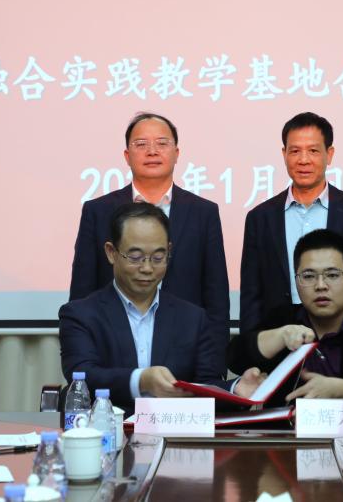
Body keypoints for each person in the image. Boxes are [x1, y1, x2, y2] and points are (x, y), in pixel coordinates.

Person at [60, 202, 261, 412]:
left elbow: (204, 387)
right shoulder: (80, 315)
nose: (147, 268)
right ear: (111, 252)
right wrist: (141, 380)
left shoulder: (193, 319)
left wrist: (235, 388)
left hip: (174, 430)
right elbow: (83, 377)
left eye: (158, 257)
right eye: (135, 257)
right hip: (108, 428)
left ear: (169, 252)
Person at [69, 112, 230, 369]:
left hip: (186, 356)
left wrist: (215, 365)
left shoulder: (203, 212)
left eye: (162, 143)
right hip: (113, 355)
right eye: (141, 144)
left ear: (177, 153)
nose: (152, 151)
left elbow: (216, 296)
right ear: (127, 155)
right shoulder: (98, 211)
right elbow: (82, 291)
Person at [228, 229, 343, 416]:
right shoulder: (281, 319)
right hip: (287, 432)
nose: (321, 285)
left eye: (332, 275)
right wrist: (280, 336)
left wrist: (338, 389)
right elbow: (235, 358)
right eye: (308, 276)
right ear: (297, 281)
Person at [239, 112, 343, 333]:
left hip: (342, 337)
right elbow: (252, 295)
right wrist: (252, 347)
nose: (303, 160)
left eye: (313, 151)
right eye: (295, 151)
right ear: (284, 154)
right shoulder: (260, 218)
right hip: (278, 337)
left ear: (329, 154)